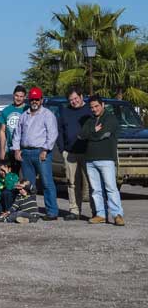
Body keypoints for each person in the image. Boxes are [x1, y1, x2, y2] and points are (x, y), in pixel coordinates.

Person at [11, 87, 60, 220]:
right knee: (28, 184)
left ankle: (52, 212)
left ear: (41, 100)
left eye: (37, 99)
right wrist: (16, 149)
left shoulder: (47, 115)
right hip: (26, 153)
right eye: (32, 99)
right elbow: (17, 134)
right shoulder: (24, 115)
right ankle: (30, 210)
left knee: (46, 182)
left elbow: (53, 134)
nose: (34, 102)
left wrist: (46, 149)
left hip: (41, 152)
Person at [80, 95, 125, 226]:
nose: (94, 109)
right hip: (90, 159)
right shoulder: (89, 120)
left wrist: (91, 134)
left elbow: (104, 134)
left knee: (111, 188)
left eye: (96, 106)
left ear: (102, 105)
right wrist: (93, 131)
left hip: (106, 159)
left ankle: (117, 215)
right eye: (92, 107)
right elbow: (81, 135)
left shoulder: (110, 118)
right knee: (95, 190)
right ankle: (100, 214)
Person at [57, 88, 93, 220]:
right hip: (70, 153)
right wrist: (62, 150)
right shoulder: (65, 112)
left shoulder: (90, 110)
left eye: (76, 98)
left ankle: (96, 212)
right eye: (71, 100)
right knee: (72, 183)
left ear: (81, 96)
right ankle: (74, 210)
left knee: (91, 184)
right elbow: (59, 131)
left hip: (87, 153)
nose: (74, 101)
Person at [0, 85, 28, 160]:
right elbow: (2, 131)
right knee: (12, 172)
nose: (18, 98)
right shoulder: (6, 110)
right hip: (11, 149)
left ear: (25, 97)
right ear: (13, 95)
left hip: (25, 149)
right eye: (16, 96)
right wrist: (2, 150)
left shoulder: (27, 109)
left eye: (21, 96)